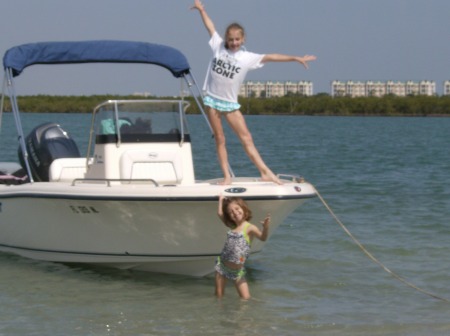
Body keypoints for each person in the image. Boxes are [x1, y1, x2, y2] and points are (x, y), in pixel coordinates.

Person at [191, 0, 317, 185]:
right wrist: (201, 10)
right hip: (212, 100)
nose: (233, 43)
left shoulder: (247, 57)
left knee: (246, 137)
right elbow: (210, 26)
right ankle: (227, 176)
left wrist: (295, 58)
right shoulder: (218, 46)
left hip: (230, 104)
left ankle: (265, 172)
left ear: (243, 40)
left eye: (237, 40)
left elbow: (272, 57)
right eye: (231, 39)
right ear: (227, 39)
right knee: (220, 138)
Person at [214, 194, 271, 299]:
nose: (235, 212)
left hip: (238, 272)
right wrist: (221, 200)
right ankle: (219, 314)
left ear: (243, 208)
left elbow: (263, 238)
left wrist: (266, 227)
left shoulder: (250, 228)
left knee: (246, 299)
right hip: (222, 267)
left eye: (237, 208)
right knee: (219, 297)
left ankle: (245, 315)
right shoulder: (233, 226)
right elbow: (220, 213)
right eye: (231, 212)